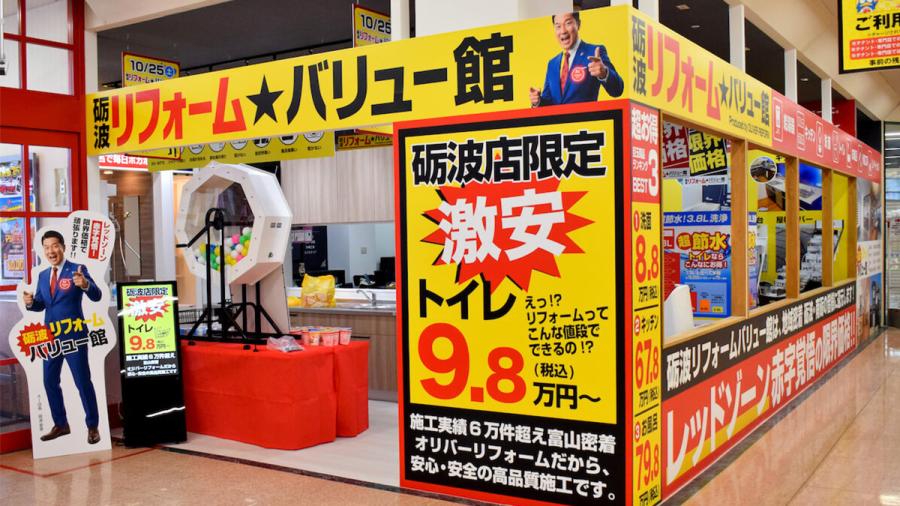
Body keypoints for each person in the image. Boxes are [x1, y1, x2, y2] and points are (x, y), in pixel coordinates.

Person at [23, 230, 103, 445]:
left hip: (74, 336)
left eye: (55, 246)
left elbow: (96, 295)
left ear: (63, 247)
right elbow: (42, 304)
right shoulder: (42, 275)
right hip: (50, 338)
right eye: (47, 247)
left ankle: (92, 426)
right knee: (49, 381)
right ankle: (61, 424)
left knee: (82, 381)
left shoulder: (77, 269)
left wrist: (84, 284)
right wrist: (31, 303)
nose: (51, 251)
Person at [530, 11, 624, 107]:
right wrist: (537, 102)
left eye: (568, 23)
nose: (563, 31)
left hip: (586, 117)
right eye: (558, 26)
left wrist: (604, 73)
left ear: (578, 24)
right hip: (558, 118)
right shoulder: (552, 63)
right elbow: (548, 104)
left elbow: (617, 90)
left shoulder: (594, 52)